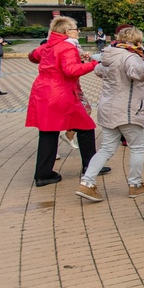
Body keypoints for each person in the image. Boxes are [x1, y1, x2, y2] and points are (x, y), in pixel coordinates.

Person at [76, 27, 144, 201]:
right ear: (135, 41)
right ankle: (135, 184)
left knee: (106, 148)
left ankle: (87, 182)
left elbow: (98, 71)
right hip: (128, 109)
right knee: (137, 148)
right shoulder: (131, 56)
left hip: (109, 108)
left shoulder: (109, 54)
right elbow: (137, 74)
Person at [26, 16, 104, 187]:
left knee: (48, 131)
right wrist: (93, 63)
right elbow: (70, 70)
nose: (78, 32)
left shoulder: (49, 45)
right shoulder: (66, 47)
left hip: (43, 91)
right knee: (85, 126)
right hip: (60, 93)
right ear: (67, 32)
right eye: (76, 29)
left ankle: (43, 173)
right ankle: (90, 165)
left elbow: (32, 56)